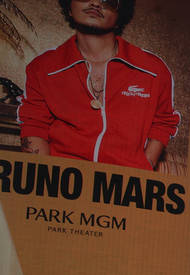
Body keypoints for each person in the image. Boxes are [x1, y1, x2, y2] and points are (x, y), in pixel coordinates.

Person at [19, 0, 181, 171]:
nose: (96, 3)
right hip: (62, 182)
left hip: (124, 187)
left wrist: (145, 164)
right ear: (69, 7)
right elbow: (34, 126)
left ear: (120, 15)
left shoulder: (153, 70)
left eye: (109, 0)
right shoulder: (43, 67)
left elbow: (164, 121)